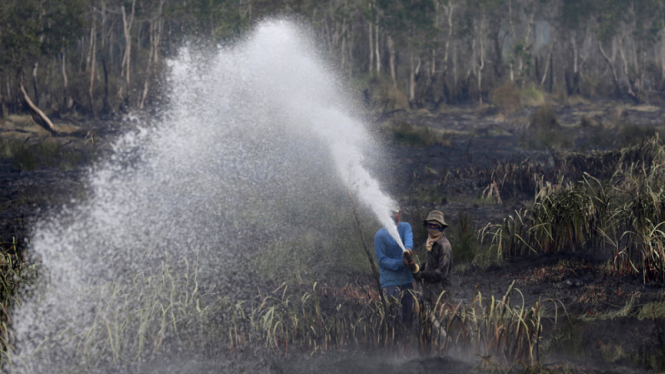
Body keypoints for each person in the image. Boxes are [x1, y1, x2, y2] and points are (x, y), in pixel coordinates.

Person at [374, 200, 416, 328]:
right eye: (390, 213)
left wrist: (408, 250)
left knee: (408, 317)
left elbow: (408, 239)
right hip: (390, 282)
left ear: (399, 213)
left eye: (395, 213)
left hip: (407, 281)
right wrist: (401, 263)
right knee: (393, 318)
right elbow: (382, 260)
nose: (393, 216)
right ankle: (392, 344)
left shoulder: (405, 227)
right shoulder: (380, 236)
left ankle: (407, 345)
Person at [414, 210, 453, 309]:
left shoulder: (444, 246)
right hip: (429, 290)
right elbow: (431, 263)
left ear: (441, 227)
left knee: (440, 320)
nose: (431, 229)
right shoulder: (431, 242)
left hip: (440, 292)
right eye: (430, 225)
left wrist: (422, 274)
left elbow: (441, 273)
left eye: (435, 226)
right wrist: (419, 267)